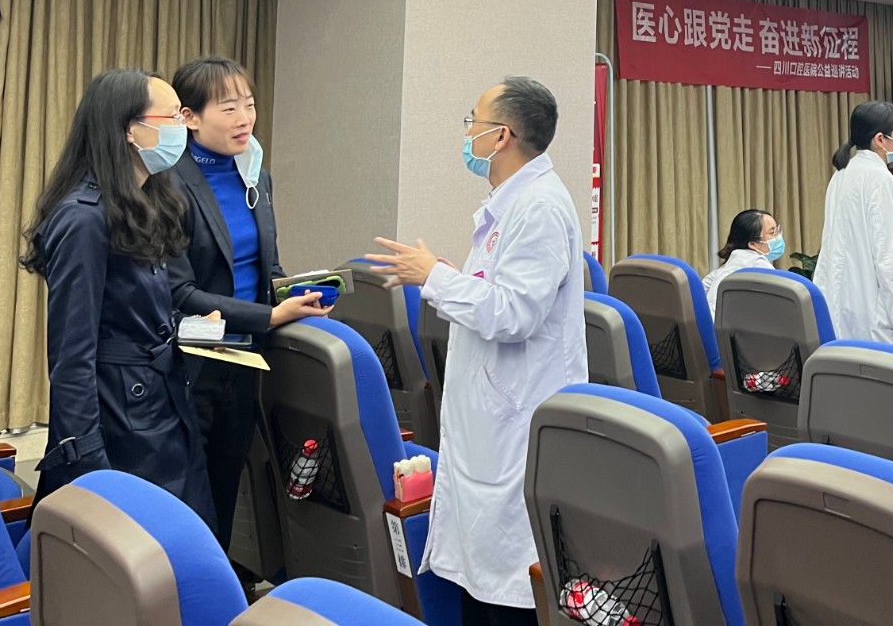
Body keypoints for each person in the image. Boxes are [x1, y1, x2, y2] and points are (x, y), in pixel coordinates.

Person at [364, 77, 586, 626]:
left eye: (473, 121)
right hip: (488, 423)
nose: (467, 134)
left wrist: (435, 277)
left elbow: (514, 314)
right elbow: (495, 294)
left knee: (508, 587)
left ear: (501, 135)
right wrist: (444, 277)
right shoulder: (510, 203)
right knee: (477, 578)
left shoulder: (539, 207)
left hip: (516, 424)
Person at [20, 67, 215, 528]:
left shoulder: (142, 202)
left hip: (157, 406)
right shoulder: (82, 219)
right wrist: (88, 463)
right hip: (120, 421)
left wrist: (190, 327)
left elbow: (133, 311)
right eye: (172, 117)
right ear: (130, 129)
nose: (183, 127)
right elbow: (71, 355)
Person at [165, 55, 329, 552]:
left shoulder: (255, 177)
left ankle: (216, 583)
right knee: (186, 499)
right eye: (229, 107)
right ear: (190, 118)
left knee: (226, 487)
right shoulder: (167, 182)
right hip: (190, 362)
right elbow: (178, 291)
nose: (245, 118)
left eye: (250, 105)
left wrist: (293, 295)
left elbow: (266, 267)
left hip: (245, 358)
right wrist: (270, 316)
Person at [813, 101, 893, 348]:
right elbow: (889, 257)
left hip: (839, 307)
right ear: (880, 139)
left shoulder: (841, 174)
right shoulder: (880, 178)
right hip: (873, 314)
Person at [701, 208, 783, 318]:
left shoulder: (723, 270)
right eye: (772, 232)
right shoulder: (758, 263)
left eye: (777, 230)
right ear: (753, 244)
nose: (778, 236)